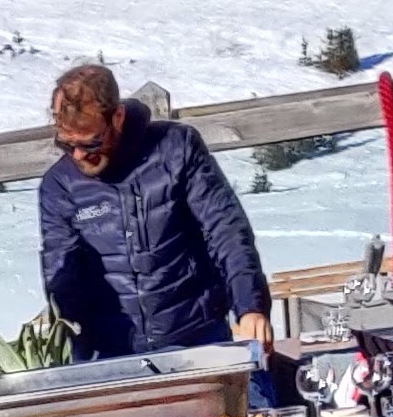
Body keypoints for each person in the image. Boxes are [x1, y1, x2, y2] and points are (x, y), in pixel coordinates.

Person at [36, 61, 271, 364]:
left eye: (91, 143)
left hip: (196, 339)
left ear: (117, 117)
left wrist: (250, 306)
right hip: (111, 354)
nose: (79, 155)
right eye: (67, 145)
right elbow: (61, 277)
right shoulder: (58, 186)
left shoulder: (177, 149)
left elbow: (225, 229)